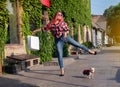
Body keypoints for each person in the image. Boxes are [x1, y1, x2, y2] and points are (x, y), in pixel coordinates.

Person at [33, 11, 96, 76]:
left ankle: (89, 51)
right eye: (59, 15)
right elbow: (43, 29)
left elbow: (67, 30)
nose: (60, 16)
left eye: (61, 15)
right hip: (58, 40)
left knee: (78, 44)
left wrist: (65, 33)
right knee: (60, 54)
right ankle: (62, 70)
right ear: (56, 16)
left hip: (65, 37)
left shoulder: (62, 23)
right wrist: (35, 31)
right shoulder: (51, 24)